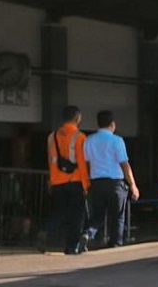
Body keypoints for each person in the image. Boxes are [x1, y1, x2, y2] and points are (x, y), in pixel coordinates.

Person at [80, 110, 140, 249]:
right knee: (117, 216)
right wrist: (133, 185)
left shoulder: (89, 140)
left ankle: (88, 234)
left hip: (97, 183)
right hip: (115, 184)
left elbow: (87, 163)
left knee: (98, 216)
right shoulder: (117, 141)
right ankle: (115, 244)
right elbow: (124, 164)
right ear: (112, 124)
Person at [41, 105, 90, 254]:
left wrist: (51, 180)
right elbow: (81, 163)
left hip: (57, 182)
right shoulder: (79, 137)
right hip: (74, 182)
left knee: (58, 212)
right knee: (76, 216)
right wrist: (86, 185)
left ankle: (45, 232)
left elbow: (51, 161)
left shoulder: (51, 136)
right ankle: (71, 247)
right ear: (78, 118)